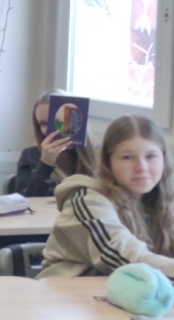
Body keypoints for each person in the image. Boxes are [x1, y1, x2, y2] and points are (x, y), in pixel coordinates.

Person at [40, 115, 174, 278]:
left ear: (164, 160)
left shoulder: (164, 200)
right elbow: (123, 257)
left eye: (151, 156)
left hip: (131, 291)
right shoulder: (87, 200)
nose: (141, 167)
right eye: (127, 157)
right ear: (108, 163)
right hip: (65, 291)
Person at [15, 89, 97, 198]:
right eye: (43, 124)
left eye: (56, 121)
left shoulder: (96, 155)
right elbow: (23, 200)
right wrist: (45, 165)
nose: (51, 129)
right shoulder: (30, 155)